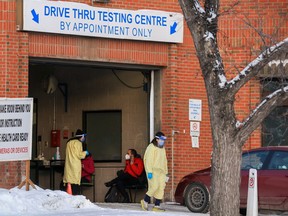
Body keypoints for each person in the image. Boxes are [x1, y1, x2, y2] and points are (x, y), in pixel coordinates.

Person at [141, 131, 168, 212]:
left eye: (163, 139)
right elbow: (148, 160)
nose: (162, 141)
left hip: (161, 171)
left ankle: (157, 205)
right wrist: (149, 171)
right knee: (154, 186)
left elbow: (164, 160)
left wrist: (166, 172)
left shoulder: (162, 148)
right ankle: (145, 201)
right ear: (157, 139)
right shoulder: (151, 147)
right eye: (161, 139)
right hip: (153, 171)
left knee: (161, 187)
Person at [63, 129, 89, 195]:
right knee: (75, 182)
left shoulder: (69, 142)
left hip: (68, 165)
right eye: (84, 137)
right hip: (75, 165)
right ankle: (74, 197)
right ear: (82, 136)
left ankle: (68, 196)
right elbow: (79, 155)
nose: (84, 138)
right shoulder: (78, 143)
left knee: (69, 182)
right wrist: (85, 153)